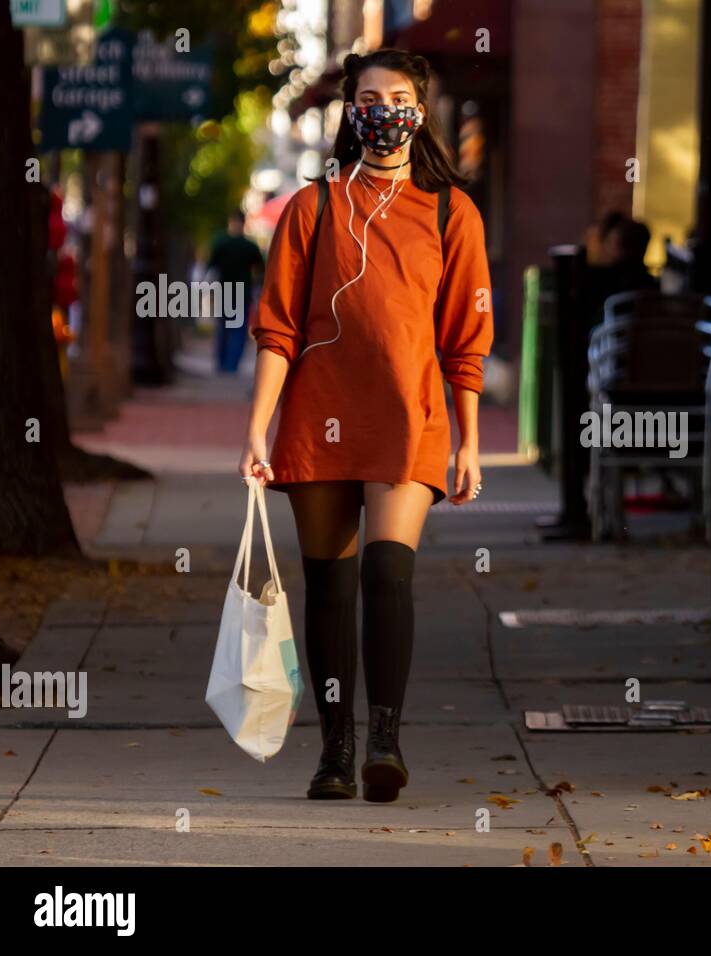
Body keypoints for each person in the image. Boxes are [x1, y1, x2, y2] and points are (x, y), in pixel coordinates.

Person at [241, 49, 493, 802]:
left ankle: (385, 737)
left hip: (409, 419)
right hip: (317, 415)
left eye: (400, 96)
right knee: (329, 586)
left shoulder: (453, 211)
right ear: (350, 111)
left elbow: (465, 340)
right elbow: (278, 329)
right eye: (370, 97)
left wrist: (473, 439)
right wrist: (258, 429)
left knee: (388, 574)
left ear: (422, 109)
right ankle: (333, 750)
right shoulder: (312, 207)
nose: (385, 110)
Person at [208, 210, 264, 373]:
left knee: (223, 328)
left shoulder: (221, 243)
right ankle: (232, 364)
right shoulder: (249, 246)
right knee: (238, 330)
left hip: (224, 290)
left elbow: (211, 267)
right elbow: (261, 269)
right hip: (242, 291)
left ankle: (222, 363)